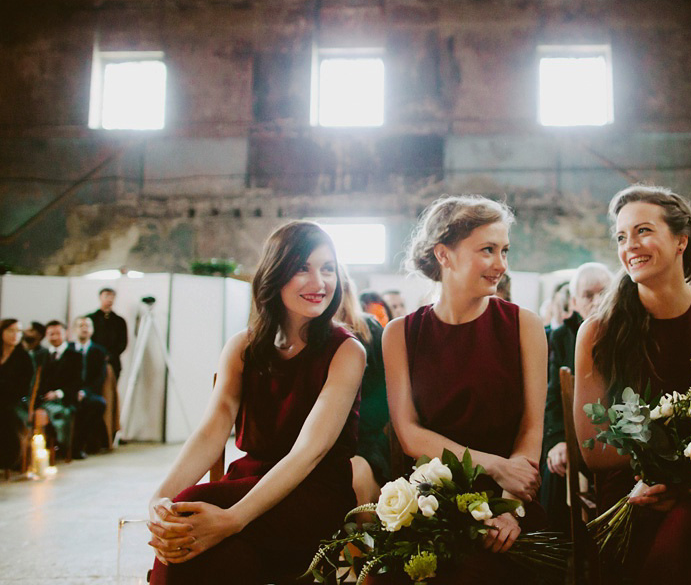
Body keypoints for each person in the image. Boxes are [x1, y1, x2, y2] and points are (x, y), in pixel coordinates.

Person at [146, 221, 366, 584]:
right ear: (275, 273)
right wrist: (160, 498)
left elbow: (308, 453)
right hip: (248, 479)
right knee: (209, 542)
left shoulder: (346, 351)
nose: (319, 282)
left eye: (327, 269)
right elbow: (211, 431)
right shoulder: (242, 347)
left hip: (312, 495)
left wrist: (232, 519)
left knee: (191, 514)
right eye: (302, 268)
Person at [573, 184, 691, 584]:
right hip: (632, 491)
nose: (630, 246)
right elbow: (594, 450)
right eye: (622, 237)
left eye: (643, 231)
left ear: (682, 240)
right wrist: (661, 473)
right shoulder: (597, 332)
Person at [379, 195, 547, 584]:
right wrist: (494, 464)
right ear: (444, 255)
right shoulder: (401, 333)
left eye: (504, 250)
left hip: (510, 497)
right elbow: (409, 434)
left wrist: (511, 505)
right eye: (487, 250)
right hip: (431, 499)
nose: (501, 265)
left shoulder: (525, 325)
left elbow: (531, 426)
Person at [541, 262, 612, 531]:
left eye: (603, 293)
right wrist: (558, 441)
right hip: (573, 437)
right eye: (588, 295)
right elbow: (553, 395)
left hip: (613, 438)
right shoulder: (561, 336)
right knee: (554, 469)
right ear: (574, 301)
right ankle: (557, 562)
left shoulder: (623, 332)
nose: (596, 302)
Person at [336, 266, 388, 504]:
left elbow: (383, 398)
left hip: (362, 440)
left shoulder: (368, 328)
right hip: (313, 442)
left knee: (355, 477)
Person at [35, 320, 83, 457]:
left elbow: (77, 382)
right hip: (42, 398)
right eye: (51, 334)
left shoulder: (75, 356)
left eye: (58, 333)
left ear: (65, 333)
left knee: (62, 413)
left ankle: (62, 445)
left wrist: (58, 393)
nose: (55, 337)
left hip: (64, 398)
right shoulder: (40, 355)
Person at [70, 316, 109, 458]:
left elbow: (99, 377)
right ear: (74, 330)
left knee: (98, 404)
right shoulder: (68, 349)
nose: (84, 328)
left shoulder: (99, 351)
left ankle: (78, 446)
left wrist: (84, 392)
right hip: (69, 392)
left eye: (87, 325)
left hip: (89, 392)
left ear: (92, 330)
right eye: (81, 325)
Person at [1, 319, 34, 469]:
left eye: (19, 331)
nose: (15, 335)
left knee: (7, 414)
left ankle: (8, 460)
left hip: (15, 401)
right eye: (11, 331)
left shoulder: (24, 357)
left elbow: (22, 388)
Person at [87, 288, 128, 380]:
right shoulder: (91, 319)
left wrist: (110, 355)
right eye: (106, 296)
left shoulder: (119, 321)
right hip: (93, 360)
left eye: (112, 297)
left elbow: (122, 343)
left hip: (112, 362)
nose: (109, 299)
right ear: (100, 298)